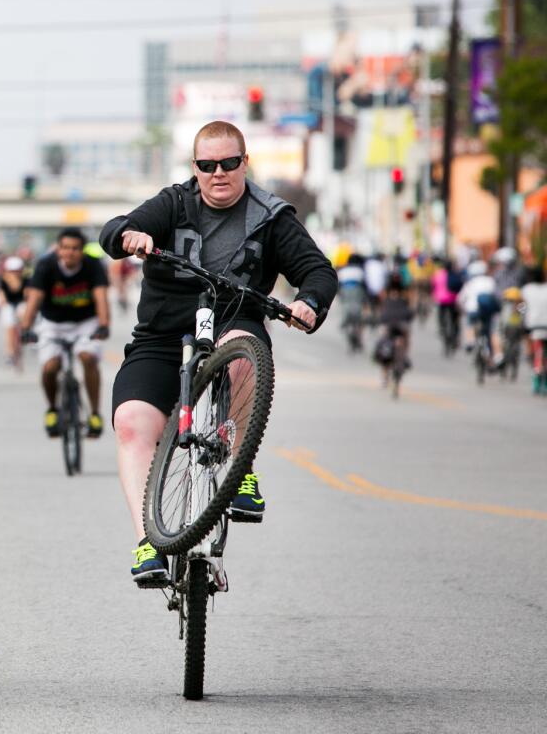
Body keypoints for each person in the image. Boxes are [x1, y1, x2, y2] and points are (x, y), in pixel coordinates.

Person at [99, 120, 336, 586]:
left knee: (244, 355)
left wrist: (309, 302)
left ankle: (240, 470)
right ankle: (150, 541)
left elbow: (318, 271)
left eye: (229, 163)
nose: (218, 173)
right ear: (195, 168)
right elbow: (115, 228)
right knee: (131, 423)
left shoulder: (272, 218)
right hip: (163, 335)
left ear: (245, 163)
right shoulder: (173, 203)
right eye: (207, 166)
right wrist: (130, 236)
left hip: (235, 322)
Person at [21, 228, 111, 439]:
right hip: (53, 323)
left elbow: (101, 297)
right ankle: (52, 408)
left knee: (88, 358)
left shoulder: (92, 265)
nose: (69, 253)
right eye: (65, 248)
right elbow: (34, 299)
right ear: (58, 249)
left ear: (82, 251)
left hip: (85, 322)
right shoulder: (46, 265)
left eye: (75, 249)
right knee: (51, 367)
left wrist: (104, 325)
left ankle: (95, 414)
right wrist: (25, 328)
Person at [458, 260, 502, 366]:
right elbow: (497, 296)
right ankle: (497, 355)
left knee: (470, 324)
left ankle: (470, 341)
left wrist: (462, 309)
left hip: (472, 310)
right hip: (488, 312)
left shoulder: (470, 283)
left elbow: (461, 299)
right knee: (491, 332)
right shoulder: (490, 281)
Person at [374, 272, 414, 385]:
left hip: (387, 323)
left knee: (384, 345)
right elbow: (410, 309)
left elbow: (381, 308)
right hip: (400, 323)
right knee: (405, 337)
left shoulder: (385, 293)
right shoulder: (404, 293)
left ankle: (384, 375)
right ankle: (404, 355)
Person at [0, 256, 27, 368]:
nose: (14, 273)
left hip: (21, 303)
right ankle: (10, 353)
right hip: (8, 304)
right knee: (9, 327)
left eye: (16, 270)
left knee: (23, 313)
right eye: (12, 271)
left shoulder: (26, 280)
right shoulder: (2, 280)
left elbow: (26, 294)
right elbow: (1, 295)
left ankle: (25, 335)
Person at [521, 266, 547, 394]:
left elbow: (522, 307)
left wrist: (524, 317)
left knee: (536, 351)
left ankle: (536, 376)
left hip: (533, 325)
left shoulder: (526, 290)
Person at [431, 255, 463, 354]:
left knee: (441, 316)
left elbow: (433, 286)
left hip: (441, 300)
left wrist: (434, 296)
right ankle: (455, 336)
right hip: (453, 300)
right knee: (455, 320)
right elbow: (461, 287)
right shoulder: (456, 274)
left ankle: (442, 328)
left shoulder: (438, 274)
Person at [337, 253, 366, 351]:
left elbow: (339, 287)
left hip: (346, 296)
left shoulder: (343, 271)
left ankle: (349, 334)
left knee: (346, 317)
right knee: (359, 319)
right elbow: (364, 286)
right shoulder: (360, 271)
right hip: (357, 296)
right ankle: (358, 337)